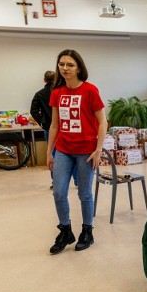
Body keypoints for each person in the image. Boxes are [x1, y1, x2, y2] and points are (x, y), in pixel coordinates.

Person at [46, 49, 107, 254]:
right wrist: (49, 152)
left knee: (84, 193)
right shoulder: (57, 93)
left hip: (86, 151)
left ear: (79, 67)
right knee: (58, 192)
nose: (65, 68)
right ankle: (65, 230)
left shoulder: (90, 90)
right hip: (63, 149)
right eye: (62, 64)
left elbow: (102, 122)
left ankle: (87, 231)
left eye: (70, 65)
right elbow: (55, 125)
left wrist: (98, 149)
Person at [30, 70, 77, 189]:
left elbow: (33, 111)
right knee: (75, 155)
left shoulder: (39, 94)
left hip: (50, 128)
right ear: (56, 79)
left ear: (44, 80)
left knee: (53, 156)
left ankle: (56, 183)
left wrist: (42, 122)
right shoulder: (62, 92)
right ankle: (78, 182)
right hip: (67, 128)